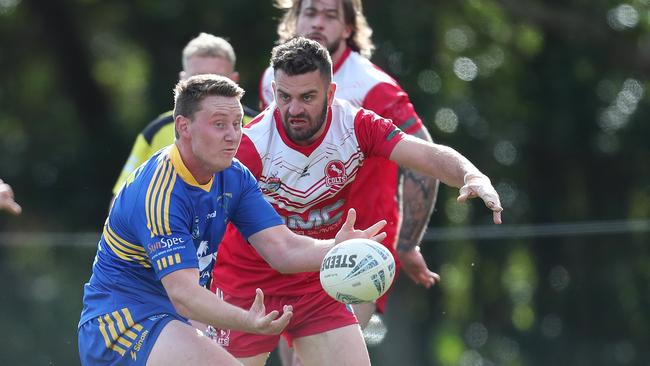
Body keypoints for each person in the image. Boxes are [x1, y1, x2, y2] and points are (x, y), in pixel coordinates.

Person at [211, 37, 502, 366]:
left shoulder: (355, 125)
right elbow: (221, 225)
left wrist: (472, 175)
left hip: (316, 281)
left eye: (307, 97)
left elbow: (426, 154)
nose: (294, 110)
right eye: (284, 96)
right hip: (247, 285)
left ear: (331, 94)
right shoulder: (251, 147)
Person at [77, 74, 387, 366]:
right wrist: (247, 321)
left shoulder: (233, 175)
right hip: (122, 322)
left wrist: (336, 247)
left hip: (172, 319)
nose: (233, 135)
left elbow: (282, 249)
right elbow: (184, 296)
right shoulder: (161, 193)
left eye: (237, 123)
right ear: (183, 126)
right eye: (219, 124)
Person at [259, 0, 441, 336]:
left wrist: (406, 242)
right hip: (296, 252)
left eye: (330, 16)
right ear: (294, 19)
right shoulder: (274, 79)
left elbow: (426, 161)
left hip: (360, 249)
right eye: (310, 13)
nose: (317, 23)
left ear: (348, 28)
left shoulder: (372, 86)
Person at [112, 32, 258, 196]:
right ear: (182, 81)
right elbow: (122, 197)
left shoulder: (259, 127)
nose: (208, 87)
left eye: (218, 79)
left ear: (234, 80)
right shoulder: (156, 132)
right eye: (198, 80)